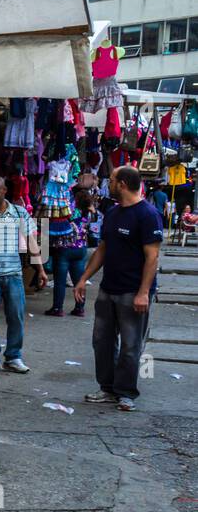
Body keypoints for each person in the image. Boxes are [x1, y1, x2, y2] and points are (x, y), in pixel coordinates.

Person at [74, 165, 163, 412]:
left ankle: (126, 392)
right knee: (102, 341)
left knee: (131, 344)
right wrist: (83, 278)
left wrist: (144, 292)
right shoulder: (112, 213)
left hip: (133, 291)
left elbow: (152, 257)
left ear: (122, 184)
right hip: (108, 288)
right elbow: (102, 248)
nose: (108, 183)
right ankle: (107, 388)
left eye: (112, 180)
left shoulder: (148, 214)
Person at [0, 177, 43, 373]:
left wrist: (40, 270)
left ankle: (13, 356)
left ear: (5, 191)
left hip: (13, 274)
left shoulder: (20, 213)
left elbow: (32, 243)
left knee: (16, 317)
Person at [47, 189, 92, 317]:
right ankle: (80, 308)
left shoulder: (70, 210)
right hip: (81, 249)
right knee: (79, 281)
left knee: (60, 281)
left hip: (65, 248)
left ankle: (57, 308)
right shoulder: (87, 213)